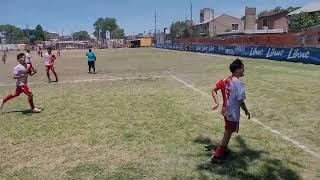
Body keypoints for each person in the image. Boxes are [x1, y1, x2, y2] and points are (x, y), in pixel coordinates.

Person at [210, 59, 250, 162]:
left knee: (228, 131)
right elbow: (240, 101)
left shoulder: (225, 79)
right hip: (232, 113)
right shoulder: (239, 84)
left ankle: (223, 150)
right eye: (242, 68)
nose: (244, 70)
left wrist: (217, 103)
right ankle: (217, 156)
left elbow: (213, 89)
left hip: (226, 111)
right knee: (227, 133)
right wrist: (246, 110)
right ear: (237, 69)